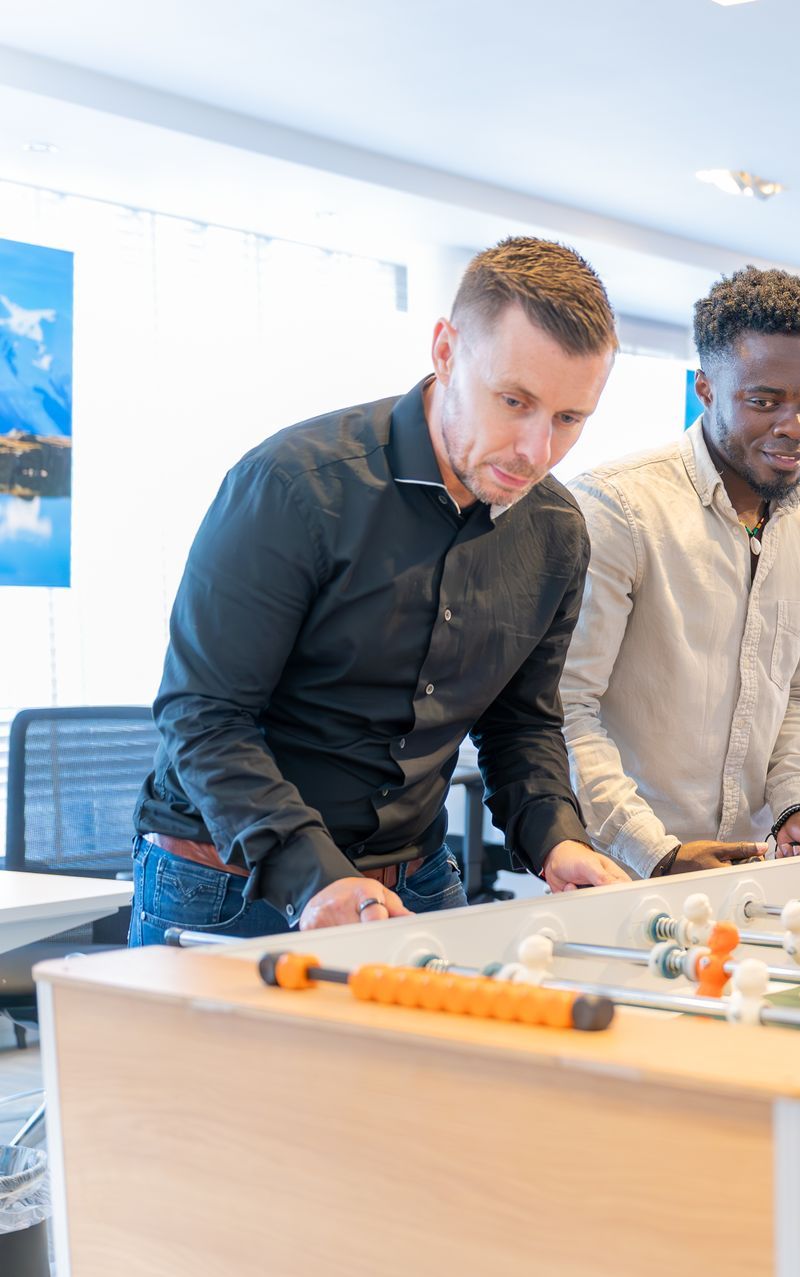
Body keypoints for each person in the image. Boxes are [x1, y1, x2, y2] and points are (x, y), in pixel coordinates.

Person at [131, 237, 632, 940]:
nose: (536, 450)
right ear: (446, 351)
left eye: (568, 419)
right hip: (230, 883)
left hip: (415, 878)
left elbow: (522, 723)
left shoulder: (555, 531)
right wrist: (316, 875)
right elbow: (204, 716)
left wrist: (557, 838)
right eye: (514, 400)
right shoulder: (292, 487)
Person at [562, 267, 800, 876]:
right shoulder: (619, 509)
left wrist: (794, 803)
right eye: (764, 400)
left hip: (748, 872)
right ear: (707, 389)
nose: (795, 428)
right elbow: (566, 710)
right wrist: (657, 852)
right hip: (618, 874)